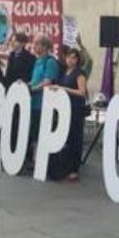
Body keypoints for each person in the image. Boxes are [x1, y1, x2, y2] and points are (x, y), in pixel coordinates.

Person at [48, 48, 88, 182]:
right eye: (68, 57)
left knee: (75, 138)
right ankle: (63, 167)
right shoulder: (64, 72)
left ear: (78, 60)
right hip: (64, 108)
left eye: (73, 58)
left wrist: (64, 89)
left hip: (76, 108)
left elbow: (82, 92)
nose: (70, 60)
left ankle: (74, 169)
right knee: (65, 137)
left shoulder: (79, 73)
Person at [28, 37, 61, 164]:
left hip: (43, 103)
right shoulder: (37, 61)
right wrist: (25, 85)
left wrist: (32, 89)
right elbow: (34, 80)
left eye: (37, 44)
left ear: (45, 47)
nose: (34, 46)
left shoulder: (50, 62)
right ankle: (34, 159)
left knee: (41, 132)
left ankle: (40, 161)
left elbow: (47, 82)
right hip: (33, 103)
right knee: (34, 132)